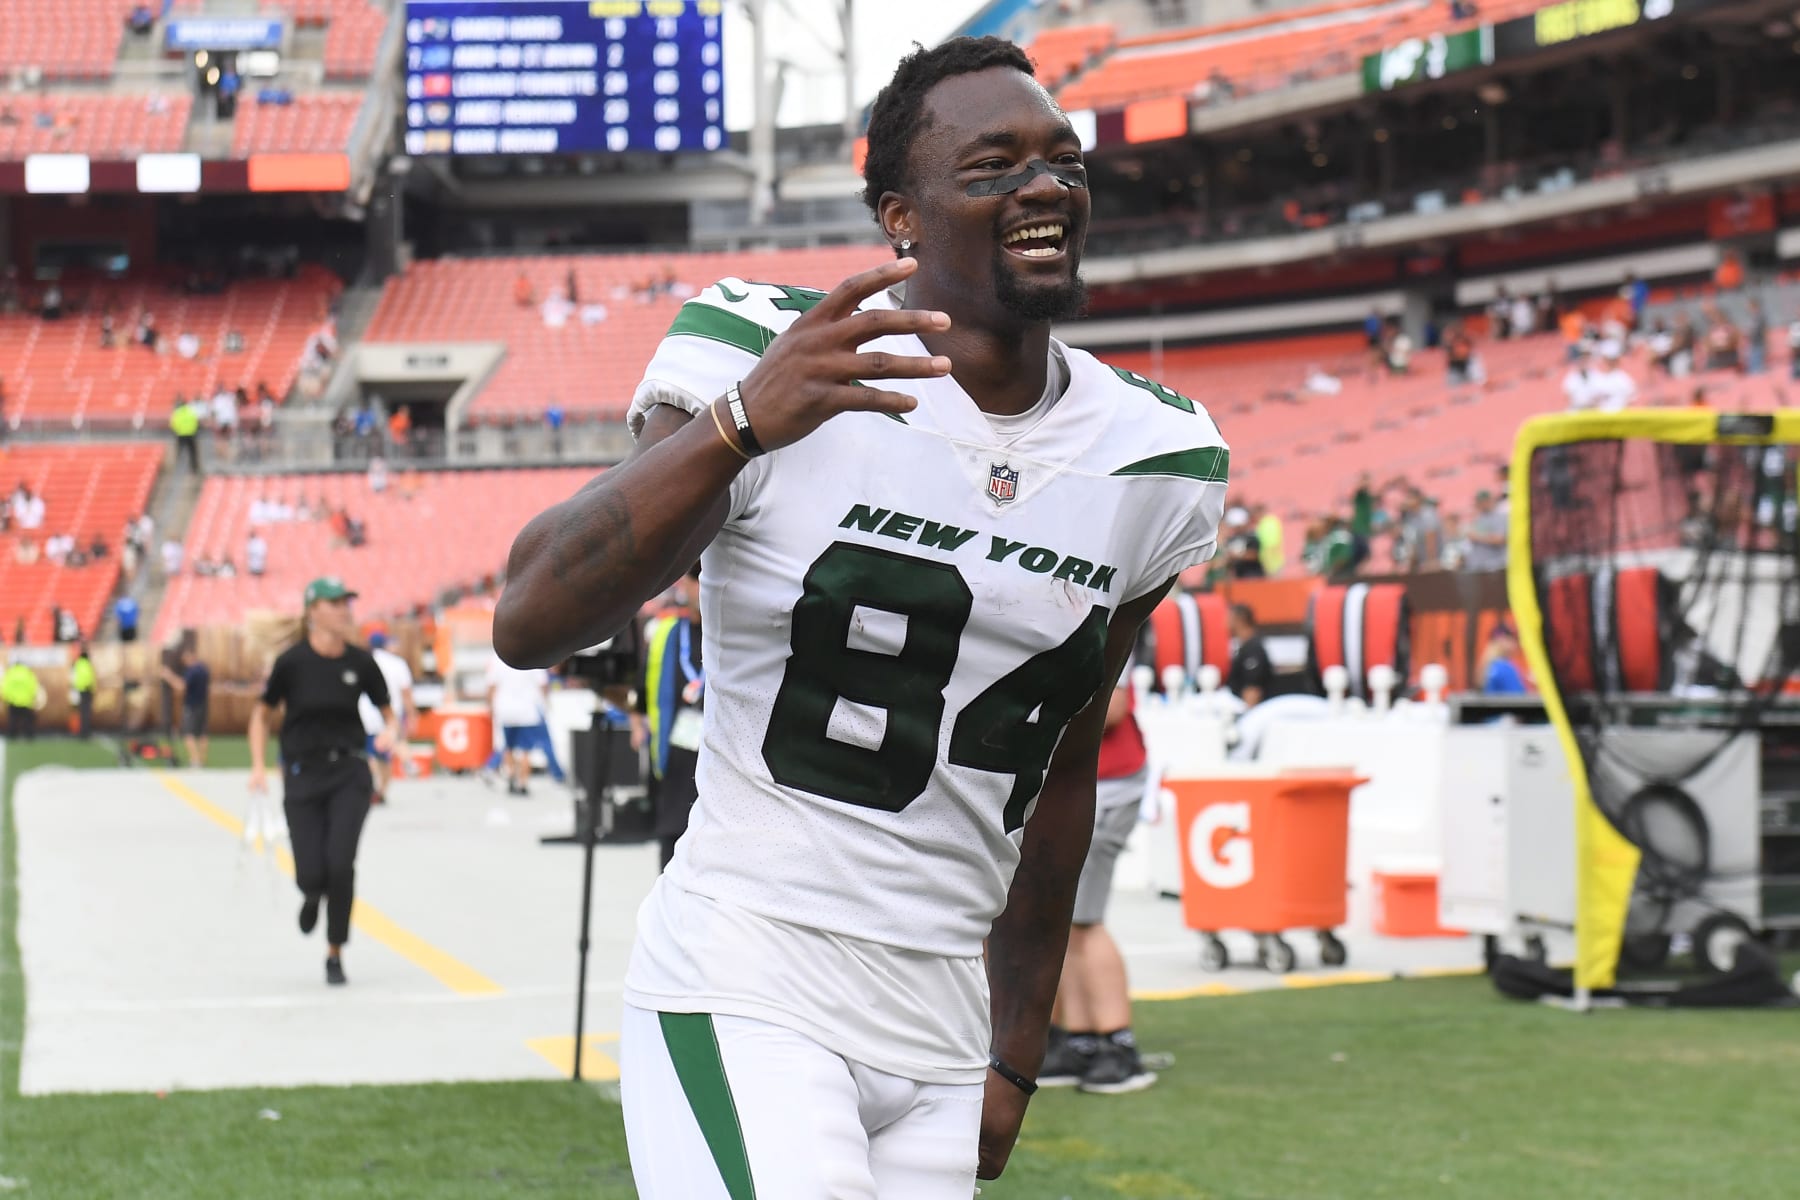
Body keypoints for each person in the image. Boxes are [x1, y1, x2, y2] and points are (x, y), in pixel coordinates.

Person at [492, 38, 1227, 1194]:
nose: (1045, 188)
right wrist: (741, 420)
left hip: (942, 1013)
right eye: (992, 167)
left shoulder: (1157, 457)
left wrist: (1017, 1047)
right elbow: (530, 616)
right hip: (755, 971)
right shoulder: (768, 349)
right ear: (902, 215)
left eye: (1063, 163)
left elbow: (1061, 767)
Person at [249, 578, 395, 987]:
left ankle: (335, 952)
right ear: (313, 611)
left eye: (347, 601)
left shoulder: (361, 663)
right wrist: (258, 765)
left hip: (350, 774)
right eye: (335, 603)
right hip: (302, 776)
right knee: (311, 872)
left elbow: (391, 712)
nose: (345, 609)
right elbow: (261, 715)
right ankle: (312, 893)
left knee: (341, 863)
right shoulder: (292, 663)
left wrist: (392, 732)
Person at [1039, 664, 1156, 1094]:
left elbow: (1114, 709)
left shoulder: (1099, 610)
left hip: (1104, 785)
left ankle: (1117, 1044)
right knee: (1063, 922)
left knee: (1084, 922)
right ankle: (1081, 1040)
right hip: (1077, 785)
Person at [631, 565, 704, 870]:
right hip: (676, 755)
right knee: (673, 841)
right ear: (685, 585)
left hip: (721, 758)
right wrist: (637, 722)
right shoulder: (667, 634)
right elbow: (642, 688)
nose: (702, 588)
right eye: (697, 581)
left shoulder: (732, 634)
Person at [358, 631, 414, 806]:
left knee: (367, 754)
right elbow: (406, 693)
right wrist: (412, 714)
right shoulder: (397, 664)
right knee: (384, 755)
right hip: (390, 713)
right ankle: (382, 789)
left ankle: (371, 787)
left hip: (365, 713)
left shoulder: (363, 661)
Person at [486, 650, 549, 796]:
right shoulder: (534, 656)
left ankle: (511, 776)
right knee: (525, 750)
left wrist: (490, 706)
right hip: (527, 709)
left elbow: (491, 685)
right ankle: (523, 783)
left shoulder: (498, 658)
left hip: (506, 709)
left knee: (508, 747)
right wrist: (545, 702)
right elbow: (543, 683)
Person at [1227, 604, 1272, 707]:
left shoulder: (1253, 649)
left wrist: (1246, 717)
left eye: (1229, 618)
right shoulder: (1243, 647)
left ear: (1239, 620)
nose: (1225, 622)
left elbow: (1253, 689)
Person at [174, 645, 211, 767]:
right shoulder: (204, 669)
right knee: (202, 733)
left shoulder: (192, 671)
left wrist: (168, 676)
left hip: (191, 705)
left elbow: (181, 686)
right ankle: (202, 760)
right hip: (203, 704)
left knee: (188, 733)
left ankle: (194, 760)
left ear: (191, 656)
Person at [1480, 622, 1528, 695]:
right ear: (1501, 640)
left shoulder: (1488, 666)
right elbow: (1517, 698)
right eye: (1512, 639)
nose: (1516, 643)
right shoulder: (1505, 667)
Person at [170, 397, 201, 474]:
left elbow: (173, 424)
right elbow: (196, 422)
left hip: (181, 435)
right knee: (192, 452)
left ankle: (178, 468)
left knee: (180, 451)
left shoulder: (177, 412)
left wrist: (178, 430)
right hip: (191, 434)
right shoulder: (191, 411)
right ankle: (194, 467)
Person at [70, 643, 95, 738]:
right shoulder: (87, 665)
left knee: (81, 712)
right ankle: (85, 731)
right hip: (86, 690)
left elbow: (74, 678)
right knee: (86, 712)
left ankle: (82, 731)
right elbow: (91, 678)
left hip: (79, 690)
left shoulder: (78, 664)